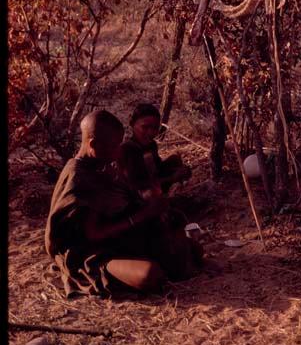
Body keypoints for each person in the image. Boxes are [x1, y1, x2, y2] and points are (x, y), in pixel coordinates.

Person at [45, 109, 202, 299]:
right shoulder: (79, 177)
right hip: (88, 254)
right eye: (114, 146)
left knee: (190, 250)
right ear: (93, 144)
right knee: (150, 275)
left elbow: (117, 201)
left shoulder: (98, 165)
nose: (119, 151)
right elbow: (93, 235)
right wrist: (142, 216)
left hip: (113, 240)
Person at [120, 103, 192, 197]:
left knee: (175, 159)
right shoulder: (127, 149)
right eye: (145, 127)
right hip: (138, 194)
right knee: (149, 193)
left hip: (153, 182)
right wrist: (172, 178)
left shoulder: (152, 145)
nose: (151, 132)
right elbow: (136, 185)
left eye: (155, 128)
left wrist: (178, 170)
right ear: (132, 124)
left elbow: (157, 169)